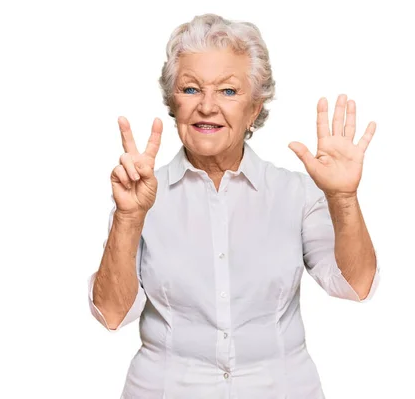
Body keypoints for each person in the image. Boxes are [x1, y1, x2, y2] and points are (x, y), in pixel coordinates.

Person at [87, 13, 380, 398]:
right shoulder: (140, 195)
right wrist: (128, 218)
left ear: (254, 110)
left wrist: (343, 199)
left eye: (228, 91)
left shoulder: (295, 194)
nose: (207, 106)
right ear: (173, 102)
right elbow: (111, 314)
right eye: (191, 89)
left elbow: (356, 285)